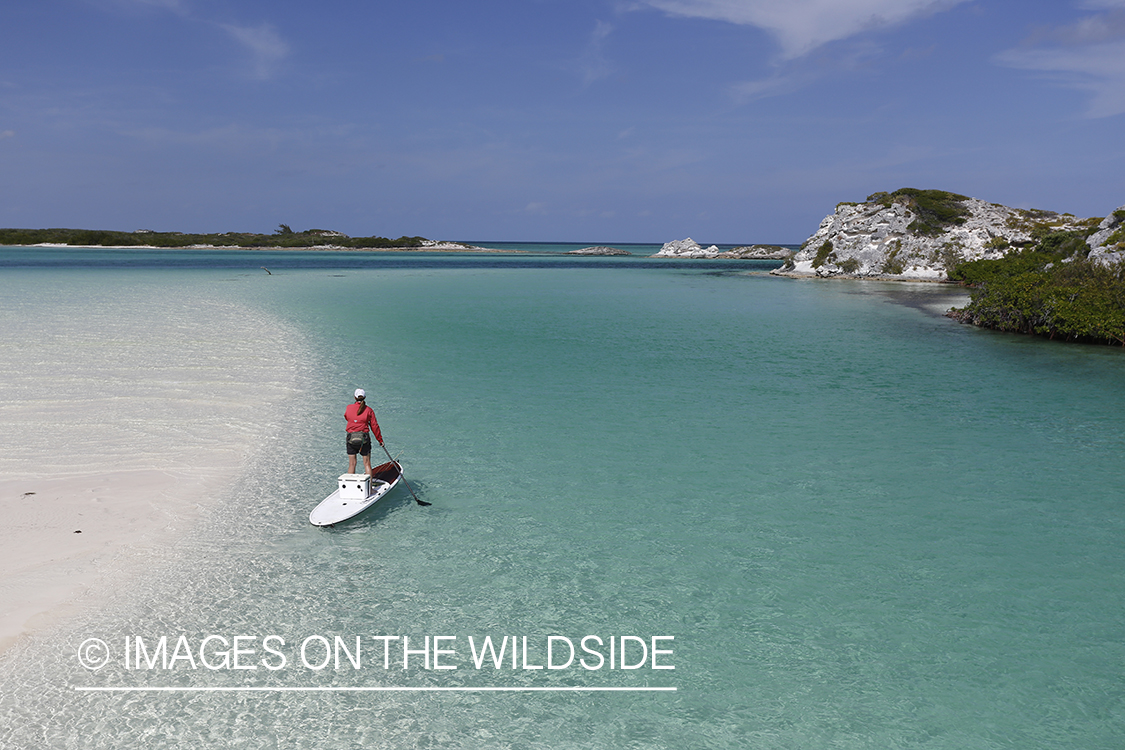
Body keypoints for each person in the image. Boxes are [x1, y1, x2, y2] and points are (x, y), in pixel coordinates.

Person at [345, 388, 384, 476]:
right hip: (364, 439)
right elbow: (374, 426)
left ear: (354, 397)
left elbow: (347, 417)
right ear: (365, 397)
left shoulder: (348, 407)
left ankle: (350, 487)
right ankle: (369, 488)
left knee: (352, 464)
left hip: (351, 437)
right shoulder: (369, 410)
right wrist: (380, 440)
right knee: (367, 464)